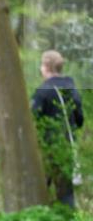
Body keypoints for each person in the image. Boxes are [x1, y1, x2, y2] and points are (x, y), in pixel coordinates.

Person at [31, 50, 84, 208]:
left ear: (46, 67)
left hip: (47, 147)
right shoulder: (72, 88)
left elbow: (33, 118)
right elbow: (79, 119)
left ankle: (37, 219)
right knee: (66, 190)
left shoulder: (42, 92)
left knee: (39, 187)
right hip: (68, 144)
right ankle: (69, 220)